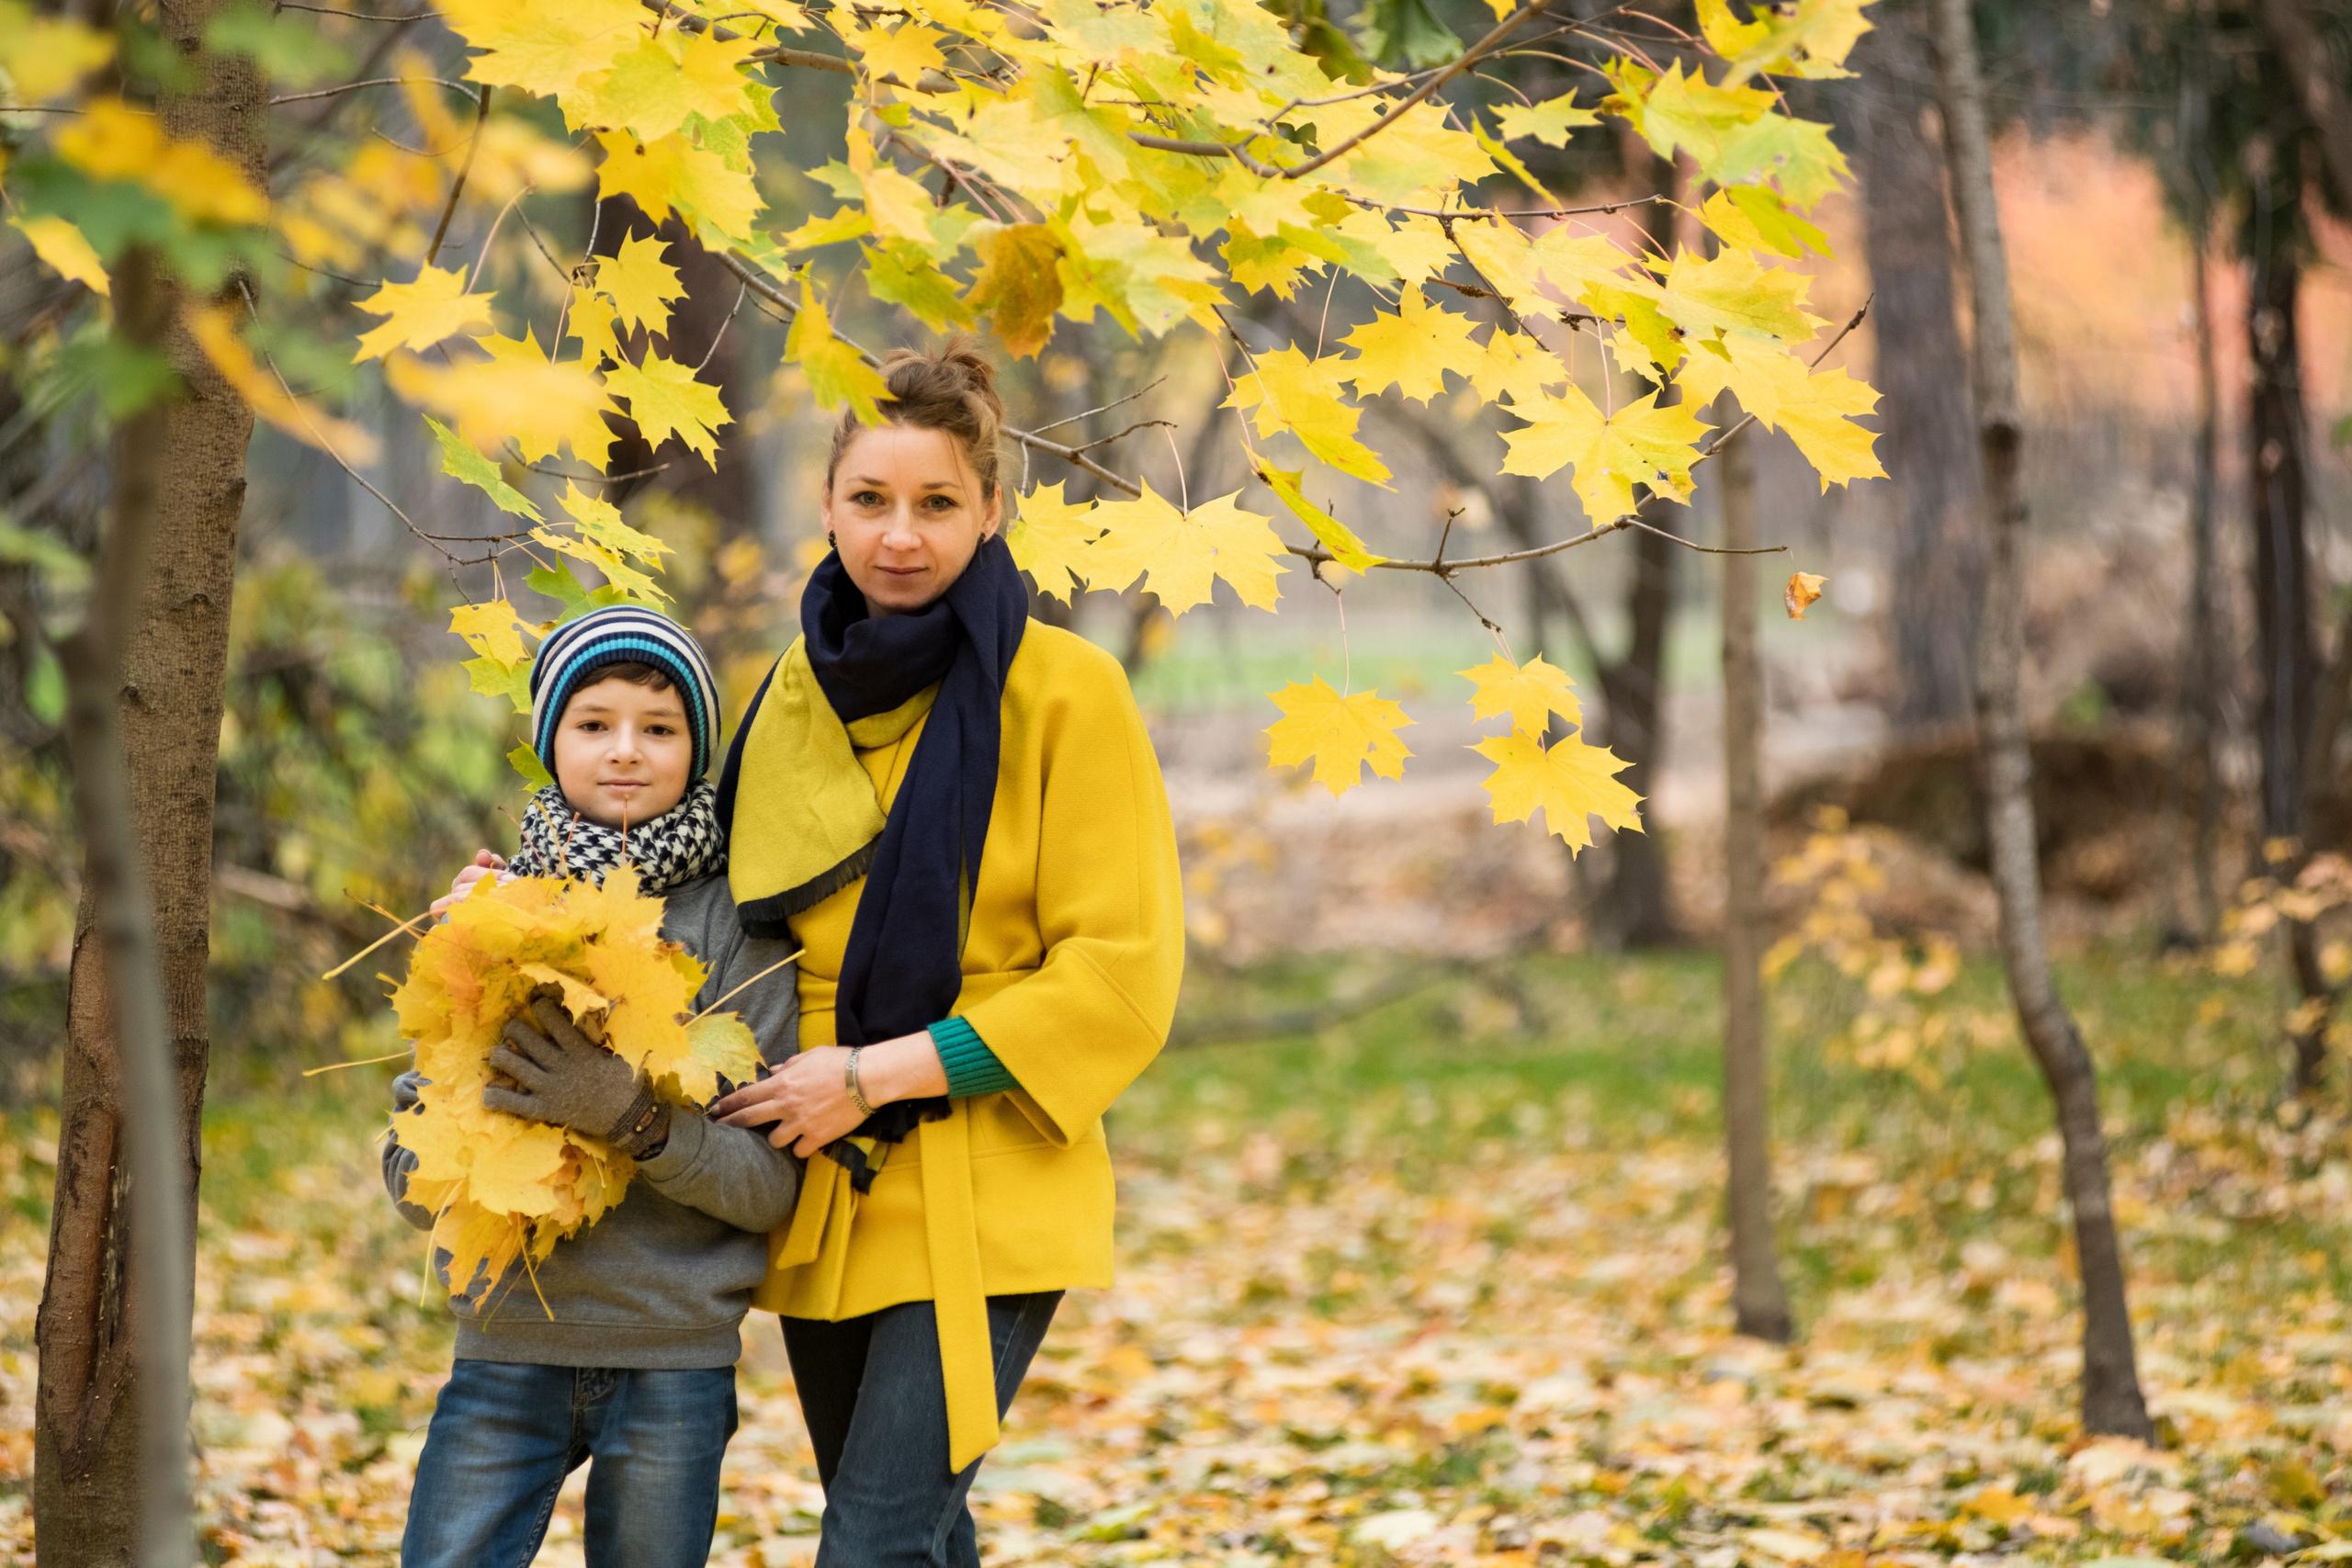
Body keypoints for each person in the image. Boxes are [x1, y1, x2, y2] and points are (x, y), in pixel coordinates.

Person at [709, 344, 1186, 1567]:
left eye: (936, 502)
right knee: (916, 1540)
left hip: (990, 1157)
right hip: (824, 1171)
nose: (899, 535)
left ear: (991, 511)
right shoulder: (790, 692)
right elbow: (710, 902)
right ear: (826, 506)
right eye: (869, 499)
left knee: (873, 1545)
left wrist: (872, 1076)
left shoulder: (1067, 690)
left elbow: (1119, 975)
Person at [385, 604, 802, 1568]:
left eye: (659, 727)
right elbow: (410, 1169)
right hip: (507, 1343)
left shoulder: (740, 931)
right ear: (550, 741)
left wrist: (631, 1118)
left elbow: (768, 1186)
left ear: (697, 751)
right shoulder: (493, 916)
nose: (625, 750)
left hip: (672, 1355)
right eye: (593, 722)